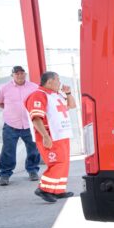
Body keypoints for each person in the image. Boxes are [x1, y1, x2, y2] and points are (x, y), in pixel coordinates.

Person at [25, 71, 76, 203]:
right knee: (56, 164)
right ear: (49, 82)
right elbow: (36, 118)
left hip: (62, 135)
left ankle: (57, 190)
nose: (59, 82)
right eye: (57, 80)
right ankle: (43, 189)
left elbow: (72, 105)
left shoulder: (56, 95)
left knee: (63, 163)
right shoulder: (38, 95)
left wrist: (68, 93)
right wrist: (45, 136)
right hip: (50, 136)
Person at [0, 66, 41, 185]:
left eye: (22, 73)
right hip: (11, 124)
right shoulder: (4, 88)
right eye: (17, 74)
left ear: (25, 74)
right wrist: (9, 109)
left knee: (33, 149)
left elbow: (40, 101)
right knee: (8, 150)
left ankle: (32, 170)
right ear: (13, 75)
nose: (20, 75)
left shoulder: (33, 87)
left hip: (30, 124)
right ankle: (5, 174)